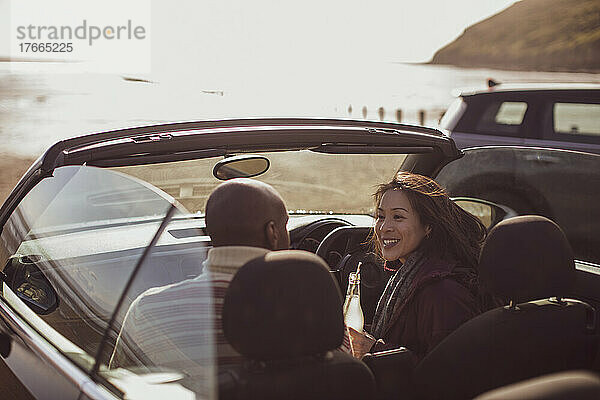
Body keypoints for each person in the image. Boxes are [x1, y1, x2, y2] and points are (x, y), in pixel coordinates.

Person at [110, 178, 350, 376]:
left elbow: (118, 385)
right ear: (272, 232)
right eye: (285, 226)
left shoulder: (145, 311)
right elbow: (343, 376)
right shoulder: (314, 309)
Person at [349, 172, 486, 360]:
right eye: (380, 216)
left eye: (398, 217)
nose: (383, 227)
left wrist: (373, 350)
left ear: (428, 226)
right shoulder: (408, 275)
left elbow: (446, 375)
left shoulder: (442, 294)